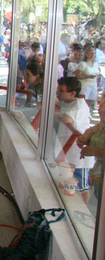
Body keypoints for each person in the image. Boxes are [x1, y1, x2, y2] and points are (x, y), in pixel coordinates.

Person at [54, 77, 93, 205]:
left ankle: (83, 211)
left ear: (72, 93)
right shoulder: (67, 102)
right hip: (67, 154)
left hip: (78, 157)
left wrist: (58, 114)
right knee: (68, 184)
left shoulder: (78, 105)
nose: (58, 93)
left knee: (81, 187)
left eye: (61, 90)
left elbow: (67, 119)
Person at [78, 99, 105, 199]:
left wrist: (93, 151)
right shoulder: (103, 125)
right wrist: (84, 137)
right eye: (102, 106)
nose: (102, 110)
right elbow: (92, 130)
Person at [76, 44, 100, 109]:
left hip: (94, 85)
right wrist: (88, 76)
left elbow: (98, 74)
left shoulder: (95, 64)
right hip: (85, 85)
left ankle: (87, 114)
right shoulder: (83, 64)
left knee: (91, 102)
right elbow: (77, 76)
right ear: (86, 54)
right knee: (83, 102)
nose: (93, 55)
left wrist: (99, 84)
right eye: (91, 53)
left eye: (94, 54)